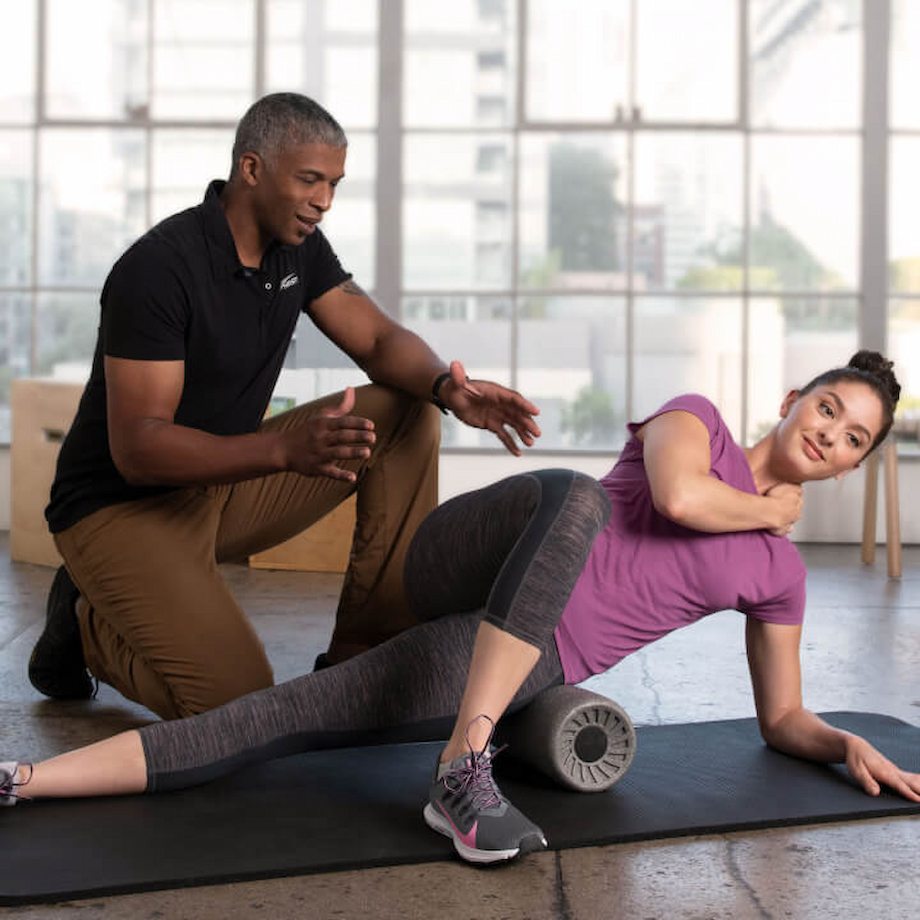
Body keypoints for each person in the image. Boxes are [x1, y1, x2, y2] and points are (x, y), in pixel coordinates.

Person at [6, 351, 919, 866]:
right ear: (795, 393)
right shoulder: (696, 421)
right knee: (579, 497)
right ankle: (466, 765)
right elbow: (680, 501)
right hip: (465, 559)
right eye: (827, 407)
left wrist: (838, 741)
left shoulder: (778, 577)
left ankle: (21, 779)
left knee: (271, 721)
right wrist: (763, 509)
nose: (828, 434)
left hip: (523, 660)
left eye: (852, 439)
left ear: (855, 462)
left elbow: (782, 716)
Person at [28, 93, 541, 719]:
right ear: (251, 169)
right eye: (309, 180)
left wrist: (445, 386)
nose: (324, 200)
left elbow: (378, 340)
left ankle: (362, 651)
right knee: (234, 709)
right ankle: (84, 626)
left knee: (407, 411)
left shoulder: (298, 248)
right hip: (120, 510)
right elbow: (139, 448)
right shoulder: (159, 270)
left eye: (333, 183)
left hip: (222, 487)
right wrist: (279, 450)